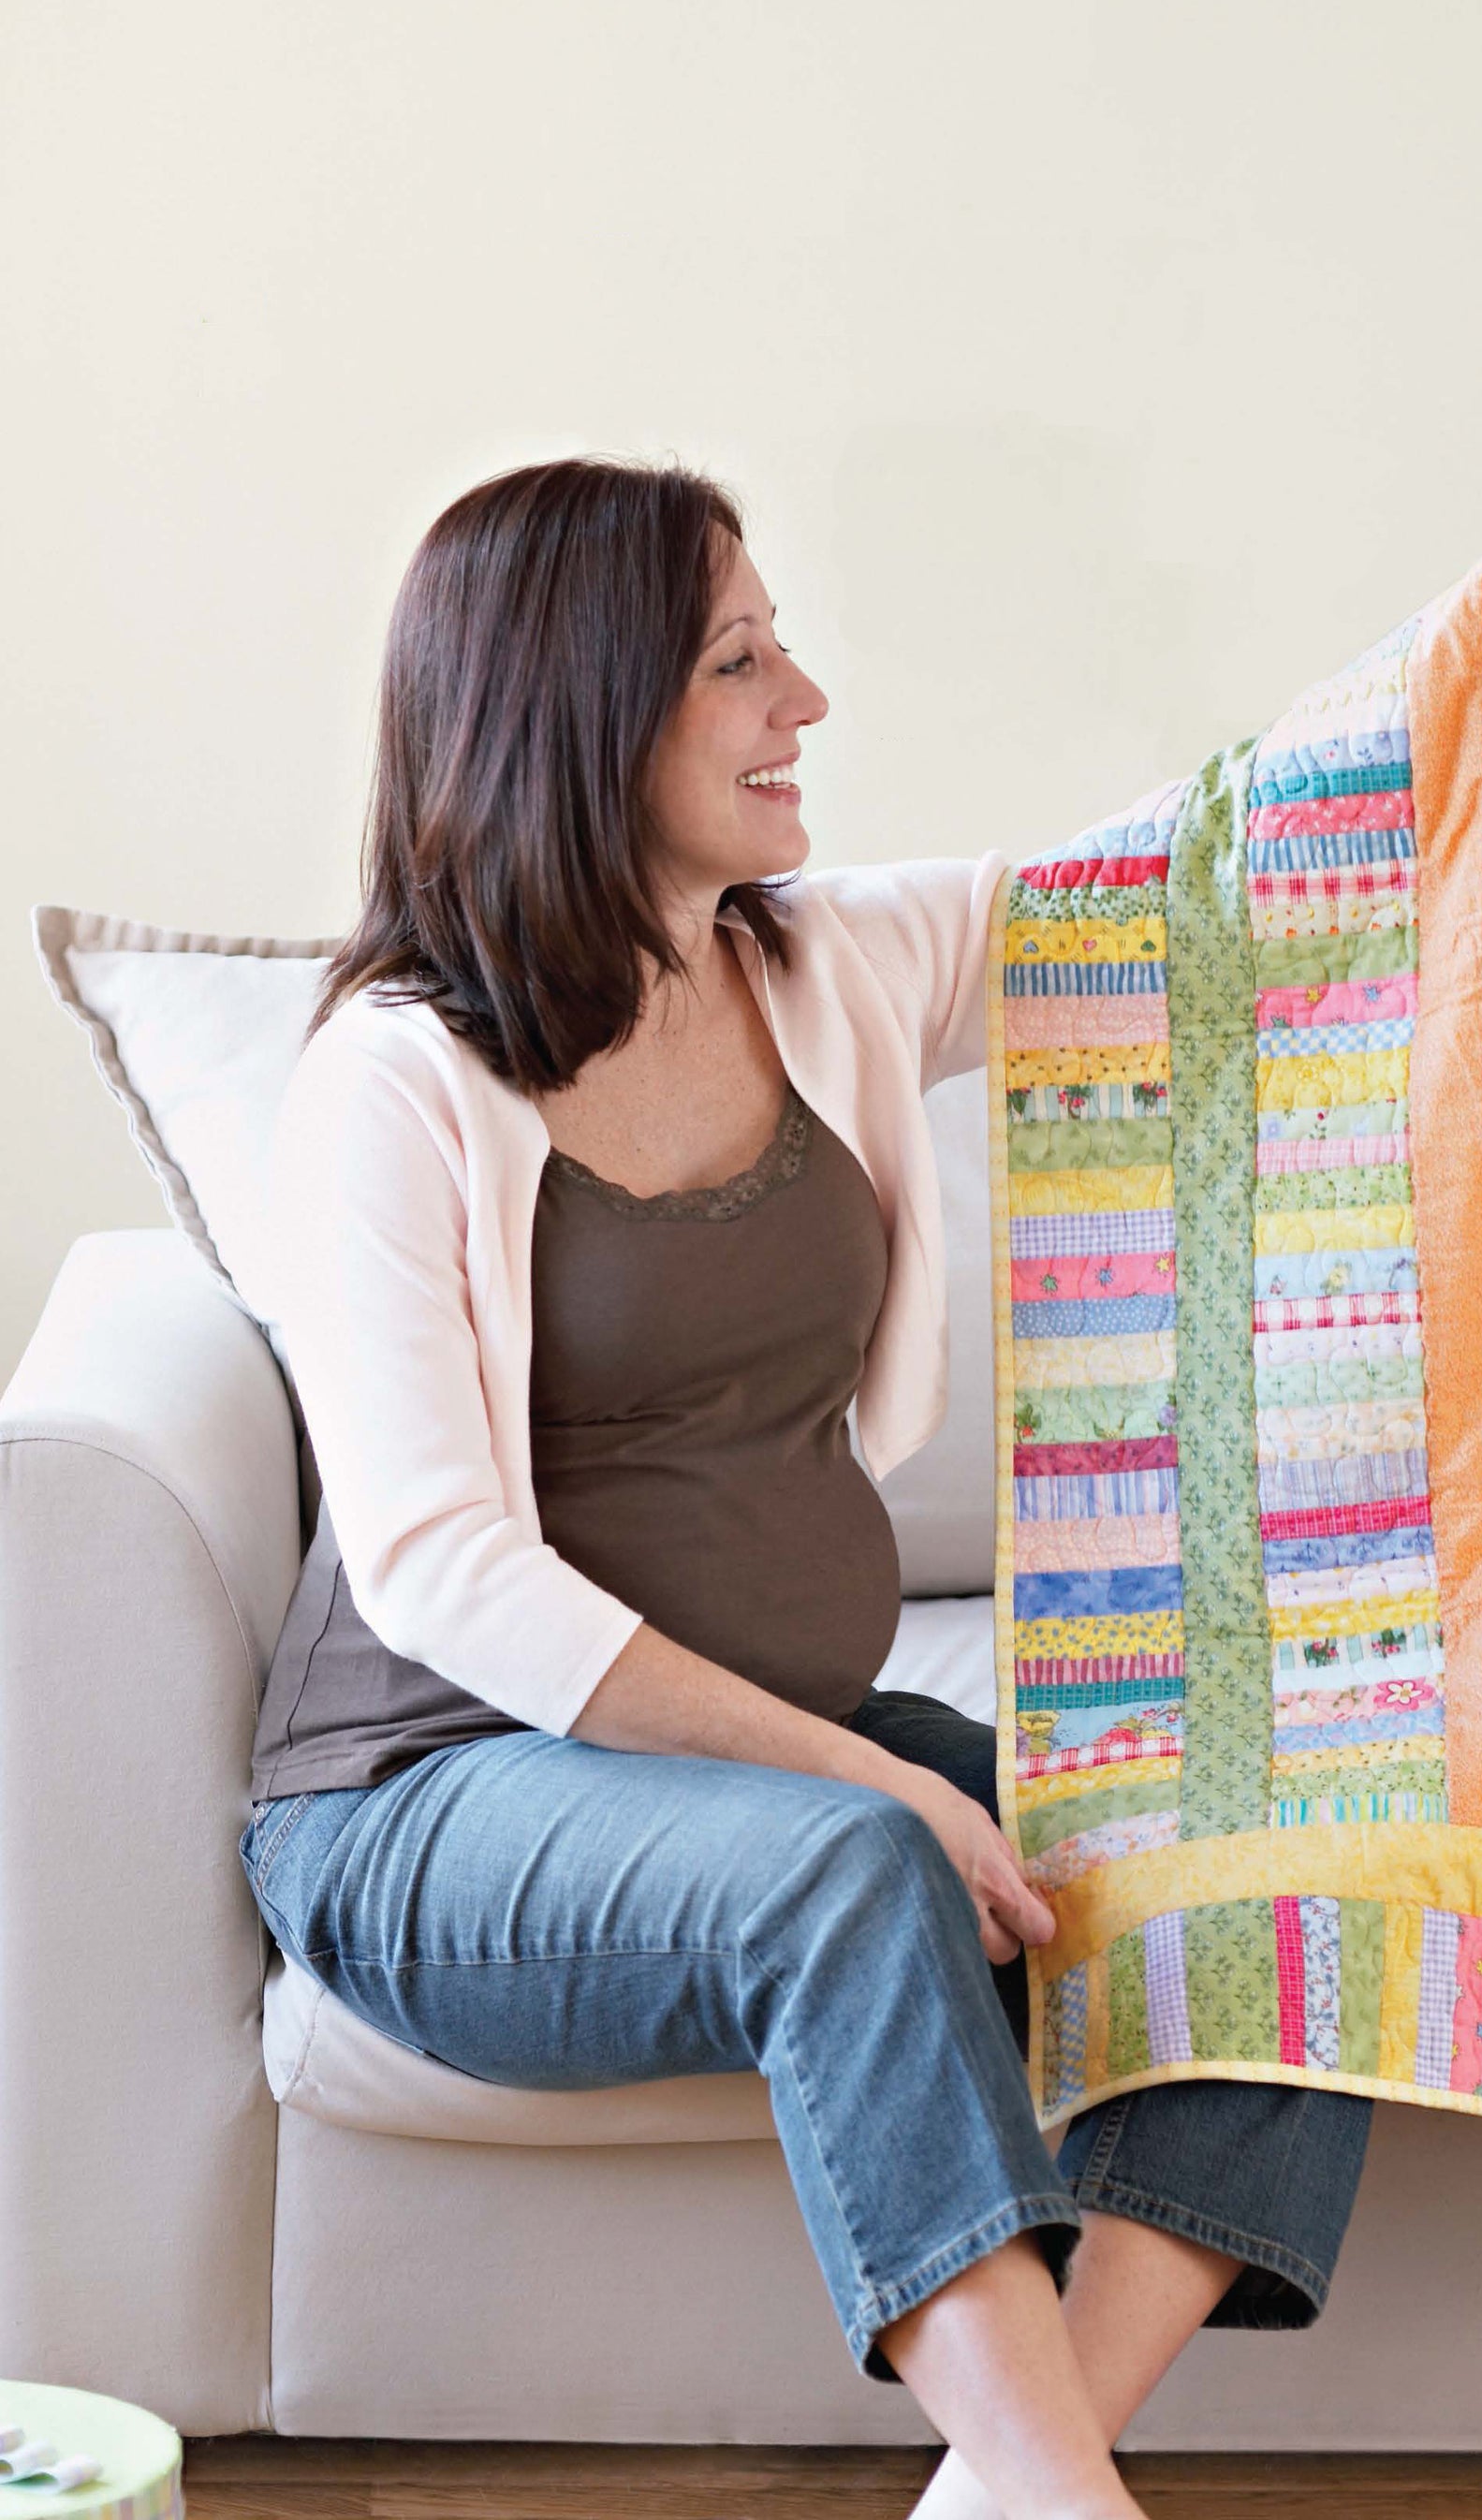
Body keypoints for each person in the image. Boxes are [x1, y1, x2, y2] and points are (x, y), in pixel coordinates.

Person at [241, 458, 1372, 2520]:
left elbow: (1207, 871)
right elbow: (436, 1566)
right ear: (581, 709)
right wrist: (866, 1779)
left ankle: (1023, 2488)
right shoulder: (390, 1080)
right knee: (850, 1867)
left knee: (1266, 1865)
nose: (807, 701)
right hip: (424, 1795)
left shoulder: (828, 966)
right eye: (742, 660)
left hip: (784, 1762)